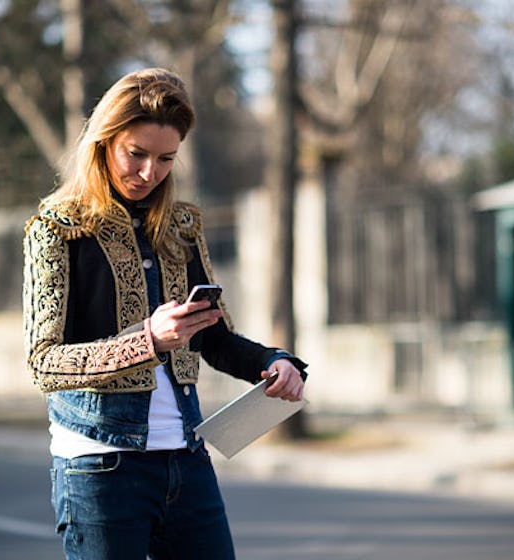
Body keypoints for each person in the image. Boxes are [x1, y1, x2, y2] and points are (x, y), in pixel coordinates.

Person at [22, 67, 308, 560]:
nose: (149, 172)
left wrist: (277, 360)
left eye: (165, 159)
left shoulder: (181, 227)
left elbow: (214, 340)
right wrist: (148, 341)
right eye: (136, 154)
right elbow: (44, 362)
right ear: (104, 141)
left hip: (187, 461)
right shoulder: (56, 229)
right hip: (99, 467)